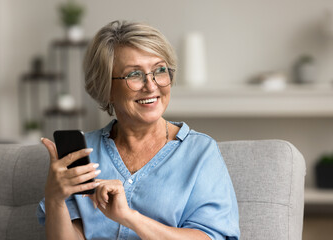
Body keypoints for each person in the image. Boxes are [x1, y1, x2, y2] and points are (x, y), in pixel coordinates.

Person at [37, 20, 240, 240]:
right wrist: (54, 199)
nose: (151, 85)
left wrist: (129, 217)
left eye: (159, 71)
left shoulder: (200, 152)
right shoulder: (83, 152)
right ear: (107, 89)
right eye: (134, 75)